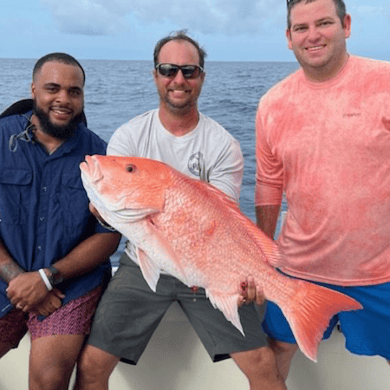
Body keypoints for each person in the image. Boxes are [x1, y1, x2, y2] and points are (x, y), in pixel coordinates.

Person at [74, 31, 286, 390]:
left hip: (209, 264)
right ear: (155, 74)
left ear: (201, 77)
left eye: (189, 71)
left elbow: (222, 223)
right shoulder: (130, 136)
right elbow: (114, 208)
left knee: (262, 364)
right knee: (92, 364)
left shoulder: (223, 145)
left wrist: (256, 273)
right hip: (143, 259)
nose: (178, 79)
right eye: (168, 69)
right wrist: (103, 209)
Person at [248, 0, 390, 383]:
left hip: (380, 270)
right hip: (299, 269)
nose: (313, 36)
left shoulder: (385, 81)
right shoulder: (272, 104)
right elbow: (268, 183)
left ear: (346, 24)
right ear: (288, 37)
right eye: (301, 28)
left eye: (324, 23)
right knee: (276, 351)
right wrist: (264, 257)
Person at [0, 53, 121, 390]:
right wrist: (19, 278)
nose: (63, 100)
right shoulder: (1, 138)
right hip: (5, 275)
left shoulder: (99, 155)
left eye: (74, 91)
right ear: (33, 89)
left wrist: (46, 278)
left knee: (49, 380)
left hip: (70, 284)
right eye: (53, 88)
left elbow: (108, 236)